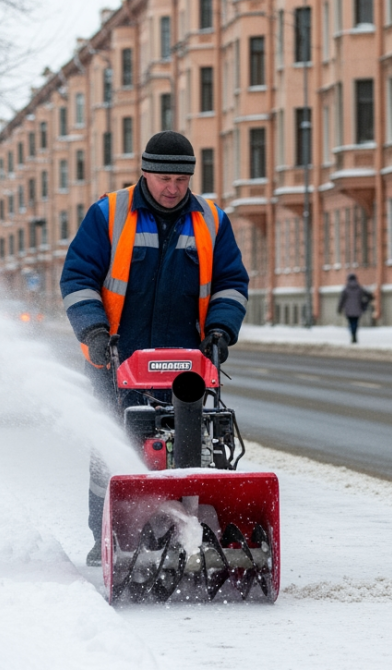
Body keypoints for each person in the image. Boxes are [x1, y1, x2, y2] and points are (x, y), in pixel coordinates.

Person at [60, 130, 250, 565]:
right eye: (165, 179)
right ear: (145, 172)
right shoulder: (109, 214)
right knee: (110, 446)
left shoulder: (212, 221)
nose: (172, 188)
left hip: (186, 362)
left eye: (181, 181)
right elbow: (78, 278)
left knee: (189, 446)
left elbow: (231, 283)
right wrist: (93, 331)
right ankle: (106, 535)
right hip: (115, 357)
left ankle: (189, 532)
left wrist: (221, 329)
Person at [337, 273, 373, 343]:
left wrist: (339, 308)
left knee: (350, 323)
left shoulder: (346, 289)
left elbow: (342, 300)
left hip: (348, 310)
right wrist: (365, 304)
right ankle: (354, 334)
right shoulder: (359, 288)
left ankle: (352, 334)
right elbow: (368, 296)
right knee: (355, 323)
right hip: (357, 309)